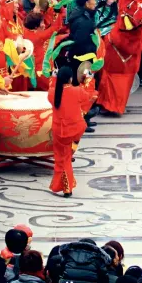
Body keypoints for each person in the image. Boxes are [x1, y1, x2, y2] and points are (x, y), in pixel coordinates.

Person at [47, 66, 89, 198]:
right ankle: (66, 187)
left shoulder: (52, 93)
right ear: (71, 79)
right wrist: (88, 80)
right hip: (75, 132)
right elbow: (89, 96)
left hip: (59, 132)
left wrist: (53, 78)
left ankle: (65, 187)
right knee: (66, 157)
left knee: (61, 158)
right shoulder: (77, 91)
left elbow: (52, 88)